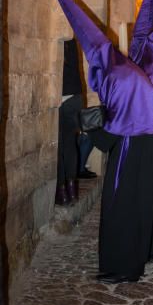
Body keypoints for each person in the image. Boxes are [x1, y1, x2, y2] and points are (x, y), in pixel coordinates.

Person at [44, 0, 153, 284]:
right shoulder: (122, 68)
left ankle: (125, 267)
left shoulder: (118, 74)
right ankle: (140, 253)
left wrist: (92, 130)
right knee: (143, 201)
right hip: (150, 141)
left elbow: (113, 131)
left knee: (124, 205)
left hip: (136, 146)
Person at [55, 38, 83, 205]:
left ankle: (61, 191)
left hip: (62, 95)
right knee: (70, 144)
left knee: (59, 146)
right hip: (75, 95)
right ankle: (71, 189)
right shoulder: (72, 40)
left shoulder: (59, 38)